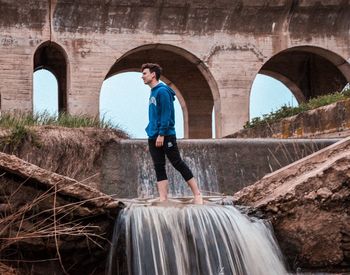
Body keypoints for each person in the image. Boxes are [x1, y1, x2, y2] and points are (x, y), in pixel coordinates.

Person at [141, 63, 203, 205]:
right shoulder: (153, 91)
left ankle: (197, 193)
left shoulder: (162, 91)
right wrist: (153, 132)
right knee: (158, 165)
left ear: (153, 74)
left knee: (177, 162)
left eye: (144, 73)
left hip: (165, 134)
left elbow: (166, 114)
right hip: (153, 134)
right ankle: (163, 198)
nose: (142, 77)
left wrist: (162, 134)